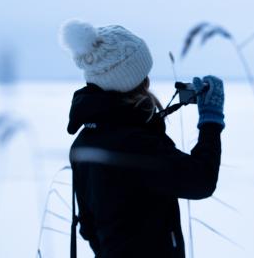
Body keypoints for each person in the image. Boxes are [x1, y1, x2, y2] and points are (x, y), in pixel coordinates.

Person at [59, 20, 225, 258]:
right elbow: (200, 180)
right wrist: (211, 120)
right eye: (144, 75)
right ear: (132, 81)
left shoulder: (84, 141)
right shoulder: (135, 145)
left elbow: (88, 226)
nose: (148, 82)